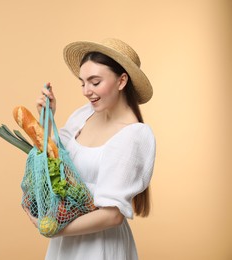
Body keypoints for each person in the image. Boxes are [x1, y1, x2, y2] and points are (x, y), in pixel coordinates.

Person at [29, 38, 156, 259]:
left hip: (100, 245)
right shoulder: (84, 115)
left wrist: (52, 228)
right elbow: (55, 162)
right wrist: (47, 120)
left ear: (121, 80)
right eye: (82, 83)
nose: (86, 91)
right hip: (65, 243)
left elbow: (112, 216)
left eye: (95, 82)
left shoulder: (134, 136)